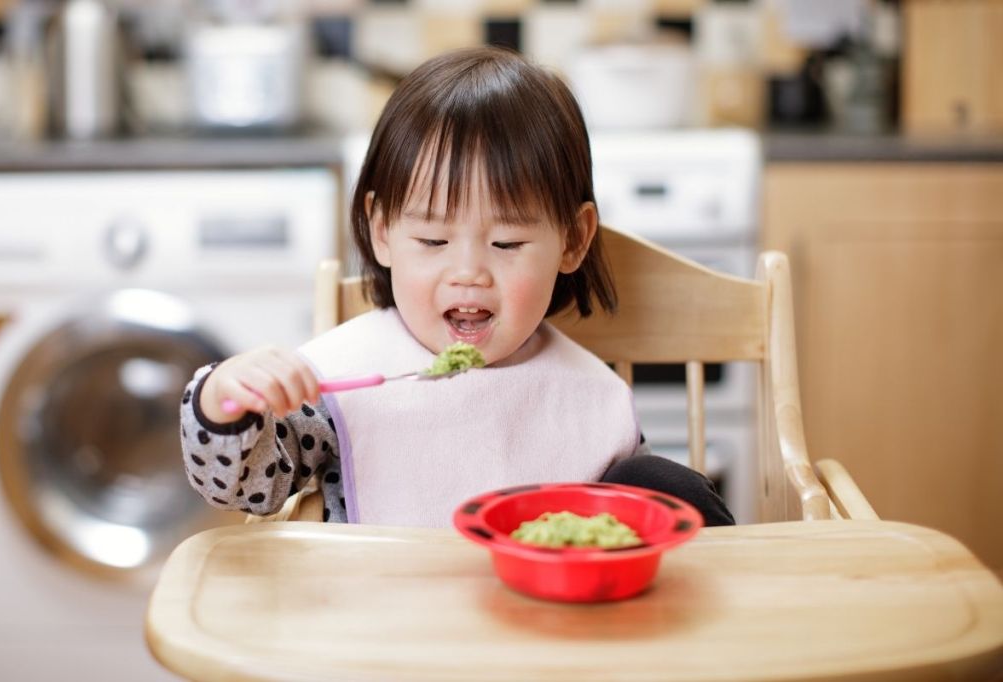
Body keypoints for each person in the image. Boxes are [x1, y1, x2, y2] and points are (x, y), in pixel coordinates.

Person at [179, 46, 734, 527]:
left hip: (548, 639)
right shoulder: (346, 378)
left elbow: (625, 530)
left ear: (572, 240)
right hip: (385, 631)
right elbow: (244, 487)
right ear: (382, 233)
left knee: (662, 483)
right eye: (434, 241)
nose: (468, 272)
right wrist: (224, 400)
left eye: (507, 244)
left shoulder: (586, 393)